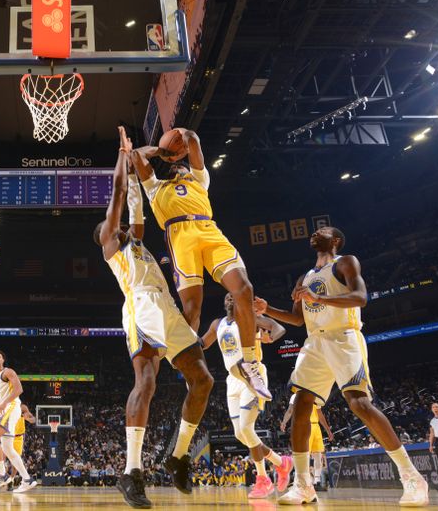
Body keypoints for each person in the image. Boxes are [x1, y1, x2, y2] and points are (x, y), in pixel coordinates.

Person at [255, 226, 429, 506]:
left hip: (343, 335)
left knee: (359, 404)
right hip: (314, 342)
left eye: (321, 230)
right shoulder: (305, 277)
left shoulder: (346, 262)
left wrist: (319, 298)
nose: (315, 232)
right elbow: (298, 319)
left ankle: (411, 476)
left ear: (335, 240)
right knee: (300, 405)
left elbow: (361, 297)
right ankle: (303, 485)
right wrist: (268, 310)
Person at [96, 127, 213, 506]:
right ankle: (131, 472)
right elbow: (119, 192)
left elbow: (134, 198)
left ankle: (176, 455)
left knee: (203, 379)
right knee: (146, 382)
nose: (127, 227)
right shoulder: (113, 245)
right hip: (141, 305)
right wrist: (121, 156)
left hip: (166, 305)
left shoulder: (139, 241)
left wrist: (152, 154)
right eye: (118, 227)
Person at [127, 131, 270, 403]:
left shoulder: (200, 179)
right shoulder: (155, 187)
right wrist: (162, 150)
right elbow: (136, 156)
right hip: (179, 237)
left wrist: (181, 137)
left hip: (209, 231)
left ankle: (250, 363)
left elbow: (192, 137)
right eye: (174, 166)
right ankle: (188, 367)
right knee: (192, 311)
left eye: (180, 163)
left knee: (244, 289)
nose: (178, 167)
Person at [200, 293, 293, 498]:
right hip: (232, 379)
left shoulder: (250, 317)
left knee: (246, 429)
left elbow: (279, 328)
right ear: (224, 303)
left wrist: (270, 336)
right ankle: (282, 462)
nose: (230, 298)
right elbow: (202, 344)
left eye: (234, 295)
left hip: (253, 374)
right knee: (240, 434)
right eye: (227, 297)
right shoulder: (218, 324)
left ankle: (263, 479)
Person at [0, 350, 37, 493]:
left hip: (12, 407)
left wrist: (5, 403)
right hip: (5, 408)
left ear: (3, 360)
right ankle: (27, 479)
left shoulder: (8, 372)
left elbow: (19, 389)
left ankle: (2, 475)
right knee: (7, 449)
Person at [281, 396, 334, 491]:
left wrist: (328, 430)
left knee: (318, 455)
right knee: (304, 455)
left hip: (316, 427)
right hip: (305, 426)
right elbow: (290, 410)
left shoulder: (316, 395)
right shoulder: (295, 396)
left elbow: (320, 414)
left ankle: (316, 481)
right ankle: (301, 481)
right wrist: (284, 421)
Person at [7, 403, 36, 491]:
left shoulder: (22, 407)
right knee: (2, 459)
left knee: (15, 461)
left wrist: (29, 419)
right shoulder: (6, 406)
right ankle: (4, 478)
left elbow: (33, 419)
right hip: (7, 436)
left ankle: (10, 480)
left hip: (18, 438)